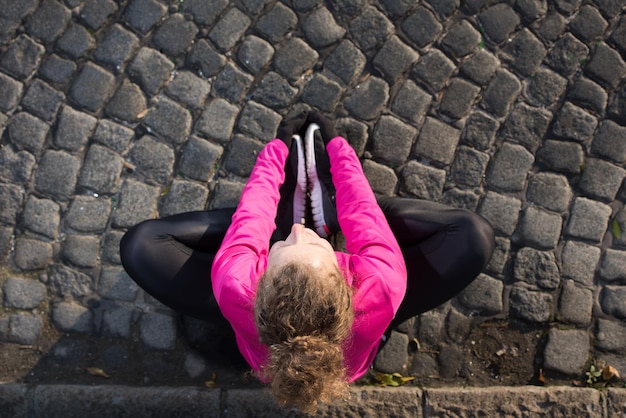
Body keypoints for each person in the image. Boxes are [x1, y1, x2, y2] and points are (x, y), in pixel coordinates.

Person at [120, 111, 495, 412]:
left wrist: (278, 149)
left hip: (258, 312)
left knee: (140, 247)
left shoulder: (236, 285)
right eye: (316, 244)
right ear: (345, 273)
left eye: (282, 246)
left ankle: (286, 212)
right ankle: (325, 210)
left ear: (260, 278)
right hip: (364, 317)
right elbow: (364, 215)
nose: (301, 233)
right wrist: (336, 147)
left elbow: (251, 218)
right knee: (473, 238)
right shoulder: (380, 283)